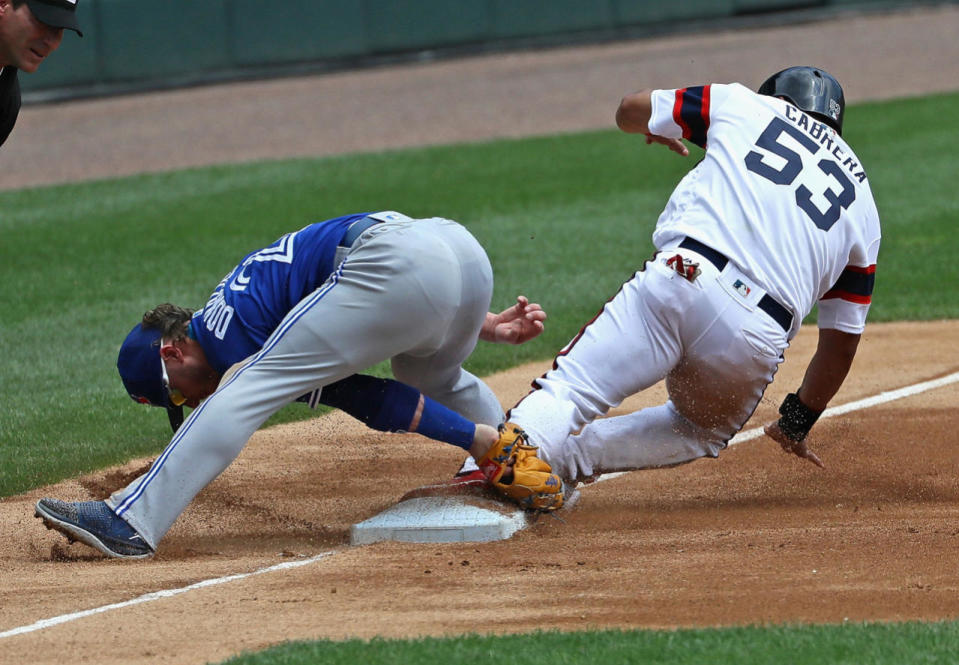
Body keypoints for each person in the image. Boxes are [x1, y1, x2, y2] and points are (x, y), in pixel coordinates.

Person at [35, 210, 547, 558]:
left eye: (175, 393)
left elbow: (366, 397)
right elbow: (402, 288)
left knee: (244, 389)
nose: (190, 403)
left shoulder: (228, 339)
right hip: (455, 251)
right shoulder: (238, 306)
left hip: (397, 263)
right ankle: (512, 456)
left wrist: (468, 434)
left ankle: (131, 521)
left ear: (172, 350)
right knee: (431, 375)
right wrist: (477, 320)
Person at [481, 67, 880, 508]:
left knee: (572, 387)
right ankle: (566, 462)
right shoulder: (863, 205)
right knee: (699, 428)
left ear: (778, 97)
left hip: (683, 276)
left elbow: (630, 107)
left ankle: (491, 468)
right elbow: (841, 344)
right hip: (753, 339)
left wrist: (656, 128)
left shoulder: (743, 102)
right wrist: (796, 421)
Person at [0, 0, 82, 148]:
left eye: (58, 28)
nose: (51, 43)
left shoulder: (7, 101)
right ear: (2, 4)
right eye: (42, 21)